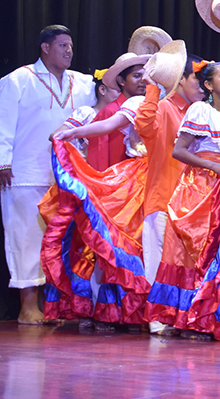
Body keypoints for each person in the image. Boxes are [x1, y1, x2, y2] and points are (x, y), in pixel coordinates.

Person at [146, 61, 220, 341]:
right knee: (197, 252)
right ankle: (187, 319)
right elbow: (178, 151)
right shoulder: (200, 110)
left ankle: (211, 318)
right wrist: (212, 166)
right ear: (207, 85)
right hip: (201, 187)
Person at [0, 25, 95, 324]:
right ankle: (28, 306)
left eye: (71, 46)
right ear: (45, 48)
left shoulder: (82, 83)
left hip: (66, 175)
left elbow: (107, 100)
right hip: (25, 172)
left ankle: (57, 306)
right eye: (62, 45)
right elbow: (3, 122)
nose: (69, 50)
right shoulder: (19, 79)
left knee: (62, 242)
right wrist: (3, 161)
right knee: (26, 238)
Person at [47, 79, 153, 327]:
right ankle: (121, 310)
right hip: (133, 178)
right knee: (125, 243)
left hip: (166, 176)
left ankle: (153, 311)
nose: (144, 80)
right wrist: (73, 133)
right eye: (137, 75)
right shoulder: (133, 105)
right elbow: (107, 126)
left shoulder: (182, 105)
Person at [134, 51, 206, 335]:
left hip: (194, 205)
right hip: (164, 198)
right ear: (181, 81)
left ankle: (181, 316)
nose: (202, 87)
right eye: (196, 80)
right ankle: (158, 318)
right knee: (159, 263)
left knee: (186, 265)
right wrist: (152, 87)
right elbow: (142, 126)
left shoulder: (203, 113)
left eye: (204, 82)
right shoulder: (164, 108)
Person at [86, 52, 151, 171]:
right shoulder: (110, 112)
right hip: (116, 181)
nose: (143, 81)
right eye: (136, 76)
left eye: (145, 76)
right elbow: (99, 157)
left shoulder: (148, 110)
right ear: (121, 80)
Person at [53, 69, 121, 159]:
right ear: (102, 90)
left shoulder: (120, 117)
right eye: (118, 91)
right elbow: (56, 135)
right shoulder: (87, 113)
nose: (121, 95)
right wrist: (81, 148)